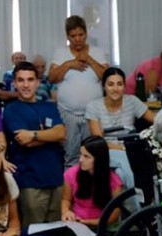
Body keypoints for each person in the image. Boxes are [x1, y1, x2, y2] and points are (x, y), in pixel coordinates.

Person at [3, 61, 66, 229]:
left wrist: (33, 134)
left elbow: (61, 133)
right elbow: (23, 141)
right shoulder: (11, 110)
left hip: (55, 176)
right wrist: (49, 135)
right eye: (21, 80)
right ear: (14, 83)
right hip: (30, 180)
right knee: (33, 232)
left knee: (55, 230)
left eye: (30, 80)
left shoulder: (49, 107)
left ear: (37, 82)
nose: (26, 85)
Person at [49, 15, 109, 167]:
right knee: (71, 155)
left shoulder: (98, 52)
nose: (77, 39)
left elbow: (106, 76)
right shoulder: (60, 53)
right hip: (68, 112)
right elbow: (52, 77)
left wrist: (88, 59)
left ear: (86, 34)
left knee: (94, 153)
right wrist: (70, 63)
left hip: (93, 114)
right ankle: (71, 187)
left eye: (81, 35)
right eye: (73, 36)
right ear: (68, 36)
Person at [60, 135, 122, 236]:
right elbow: (65, 200)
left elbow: (114, 215)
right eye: (80, 155)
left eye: (86, 156)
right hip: (79, 225)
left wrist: (89, 222)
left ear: (99, 159)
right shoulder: (71, 174)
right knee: (63, 235)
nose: (81, 160)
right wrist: (66, 212)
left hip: (103, 225)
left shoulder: (114, 181)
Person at [86, 66, 154, 136]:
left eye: (119, 84)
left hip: (130, 144)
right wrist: (122, 147)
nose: (115, 89)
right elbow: (98, 141)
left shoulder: (132, 101)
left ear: (124, 86)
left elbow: (158, 120)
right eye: (110, 84)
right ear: (104, 87)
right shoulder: (93, 107)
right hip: (105, 146)